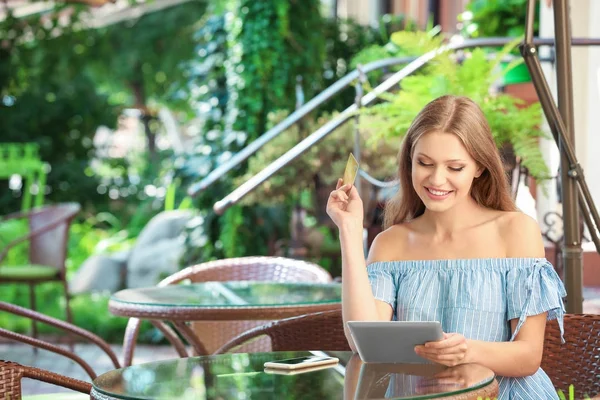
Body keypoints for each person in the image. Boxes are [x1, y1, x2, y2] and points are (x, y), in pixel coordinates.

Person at [327, 95, 566, 400]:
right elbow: (364, 343)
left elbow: (529, 356)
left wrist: (467, 350)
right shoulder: (390, 244)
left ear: (479, 167)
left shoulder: (516, 231)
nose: (437, 179)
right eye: (424, 163)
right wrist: (348, 230)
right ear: (409, 161)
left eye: (455, 167)